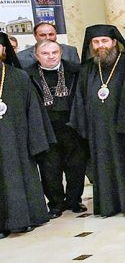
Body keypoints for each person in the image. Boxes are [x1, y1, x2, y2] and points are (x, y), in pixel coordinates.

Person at [69, 24, 125, 216]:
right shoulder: (87, 68)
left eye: (104, 41)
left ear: (114, 42)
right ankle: (109, 205)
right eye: (96, 42)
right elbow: (80, 99)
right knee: (103, 166)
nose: (100, 45)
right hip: (98, 130)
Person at [0, 32, 53, 238]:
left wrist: (36, 141)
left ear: (4, 49)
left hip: (17, 142)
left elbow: (34, 112)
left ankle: (25, 219)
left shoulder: (19, 77)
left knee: (20, 177)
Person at [27, 40, 87, 217]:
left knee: (76, 167)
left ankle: (74, 200)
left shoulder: (75, 71)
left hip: (72, 127)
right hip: (45, 129)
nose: (51, 57)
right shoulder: (28, 75)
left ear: (61, 53)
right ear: (36, 56)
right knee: (50, 169)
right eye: (45, 53)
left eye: (54, 52)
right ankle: (55, 204)